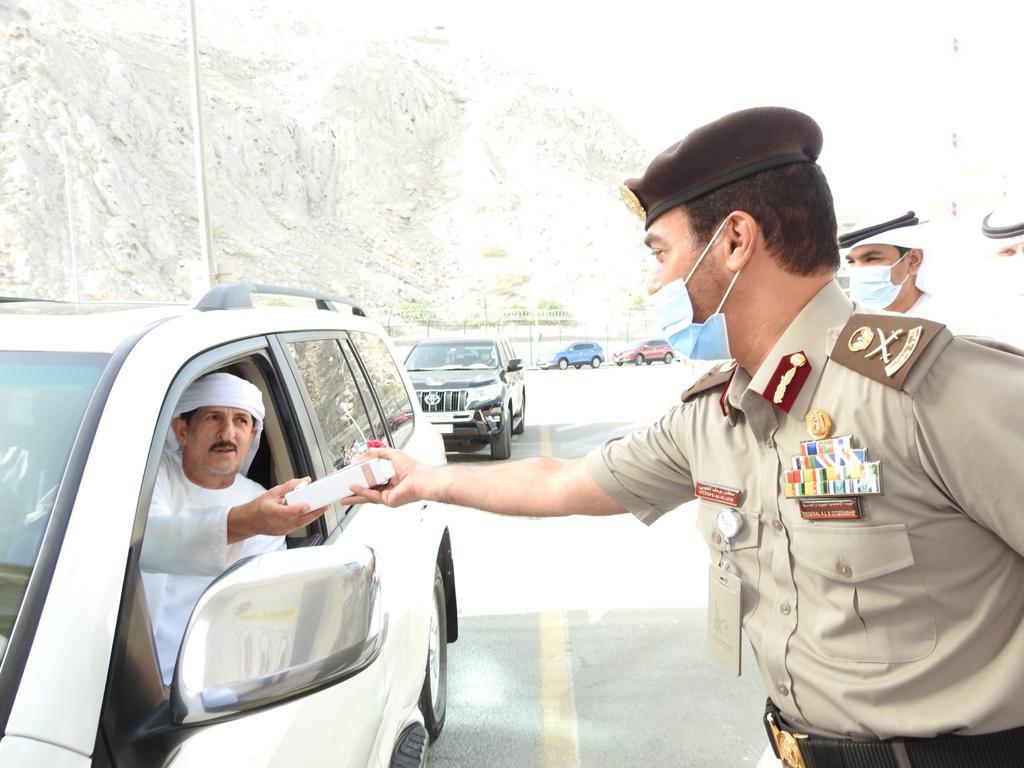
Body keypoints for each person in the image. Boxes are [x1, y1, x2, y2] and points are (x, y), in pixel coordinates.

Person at [347, 107, 1024, 766]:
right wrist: (423, 479)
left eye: (661, 253)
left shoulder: (931, 390)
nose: (654, 282)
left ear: (734, 241)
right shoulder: (717, 413)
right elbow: (565, 480)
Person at [141, 372, 325, 683]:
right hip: (128, 671)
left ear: (253, 435)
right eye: (214, 417)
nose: (227, 433)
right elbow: (151, 541)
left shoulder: (260, 501)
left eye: (241, 421)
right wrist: (248, 521)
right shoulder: (151, 473)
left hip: (211, 680)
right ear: (181, 429)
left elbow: (258, 612)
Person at [838, 211, 931, 312]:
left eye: (871, 259)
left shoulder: (945, 319)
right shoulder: (854, 320)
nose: (859, 270)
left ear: (913, 260)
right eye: (851, 262)